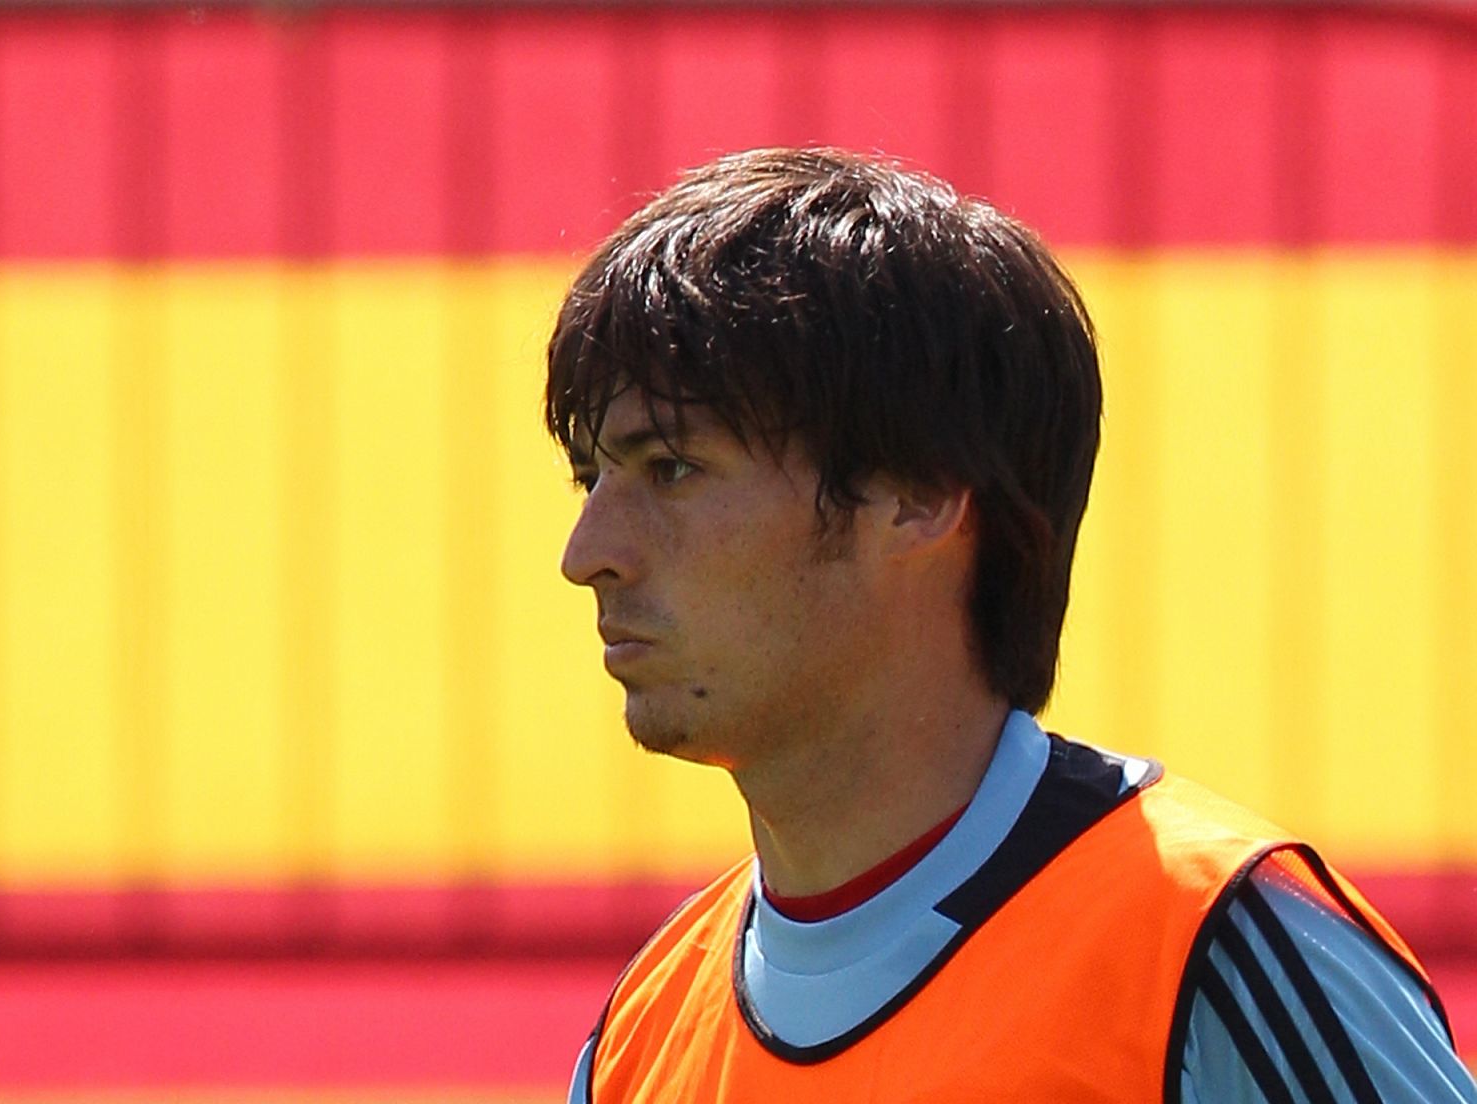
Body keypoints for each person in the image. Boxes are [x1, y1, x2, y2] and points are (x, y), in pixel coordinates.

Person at [545, 148, 1474, 1102]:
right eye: (591, 478)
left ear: (919, 493)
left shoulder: (1209, 944)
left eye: (672, 468)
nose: (588, 554)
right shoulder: (641, 1037)